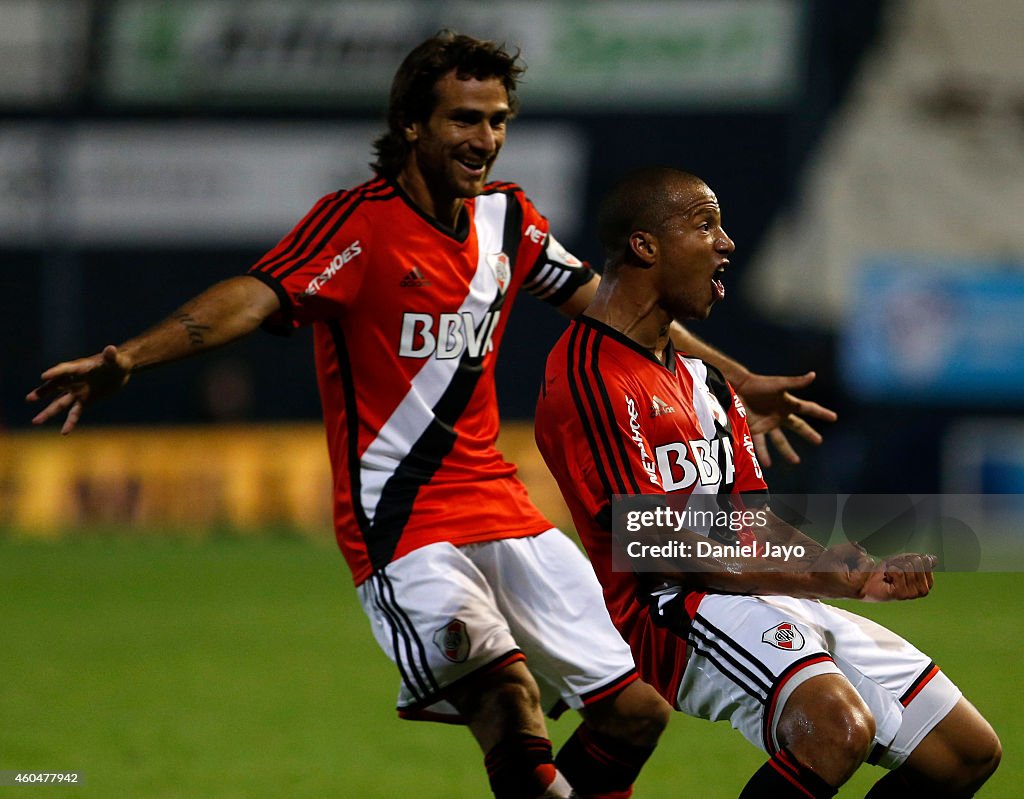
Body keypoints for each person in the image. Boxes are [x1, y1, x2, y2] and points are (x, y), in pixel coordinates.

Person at [28, 34, 832, 799]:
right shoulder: (357, 224)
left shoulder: (508, 221)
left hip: (504, 508)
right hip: (405, 526)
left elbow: (615, 308)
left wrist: (731, 375)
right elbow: (255, 295)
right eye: (463, 118)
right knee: (507, 699)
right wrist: (130, 357)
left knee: (635, 713)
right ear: (412, 124)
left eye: (497, 120)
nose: (484, 137)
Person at [534, 166, 1001, 798]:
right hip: (669, 608)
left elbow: (748, 524)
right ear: (645, 246)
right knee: (834, 727)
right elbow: (654, 543)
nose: (727, 243)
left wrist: (853, 569)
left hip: (751, 590)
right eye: (706, 225)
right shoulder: (591, 373)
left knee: (965, 753)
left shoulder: (705, 382)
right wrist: (836, 574)